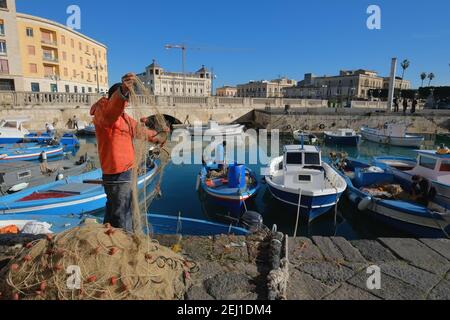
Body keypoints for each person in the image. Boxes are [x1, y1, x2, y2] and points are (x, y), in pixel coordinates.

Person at [90, 73, 168, 232]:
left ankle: (109, 235)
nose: (126, 103)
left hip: (126, 171)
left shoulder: (124, 118)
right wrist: (123, 91)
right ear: (113, 98)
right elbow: (110, 112)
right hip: (116, 173)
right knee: (122, 211)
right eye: (125, 99)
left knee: (116, 207)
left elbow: (140, 131)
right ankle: (124, 241)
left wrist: (158, 137)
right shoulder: (103, 113)